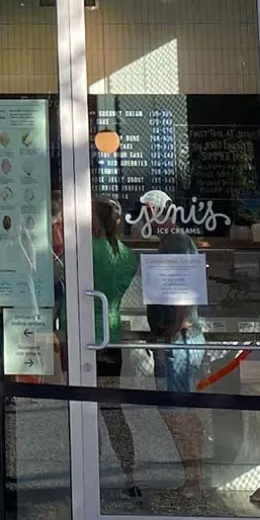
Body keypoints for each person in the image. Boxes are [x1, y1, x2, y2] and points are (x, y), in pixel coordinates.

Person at [147, 231, 207, 498]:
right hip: (185, 340)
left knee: (175, 414)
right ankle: (194, 476)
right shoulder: (185, 253)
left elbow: (181, 301)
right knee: (182, 413)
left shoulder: (177, 258)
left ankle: (194, 479)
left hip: (178, 342)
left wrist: (169, 332)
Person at [91, 196, 141, 498]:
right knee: (112, 409)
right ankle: (129, 473)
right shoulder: (127, 256)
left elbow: (58, 278)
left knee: (83, 408)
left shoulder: (85, 252)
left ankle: (88, 473)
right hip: (112, 335)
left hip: (83, 334)